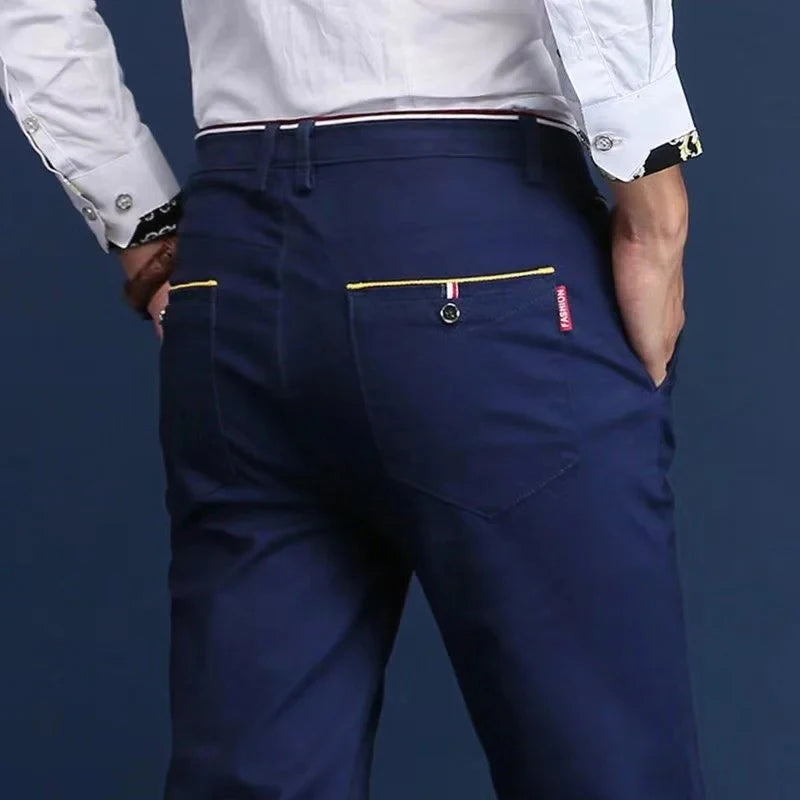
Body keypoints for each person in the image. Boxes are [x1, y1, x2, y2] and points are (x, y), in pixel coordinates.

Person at [0, 1, 706, 798]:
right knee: (603, 764)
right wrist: (654, 198)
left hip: (235, 258)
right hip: (477, 233)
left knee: (254, 777)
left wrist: (139, 217)